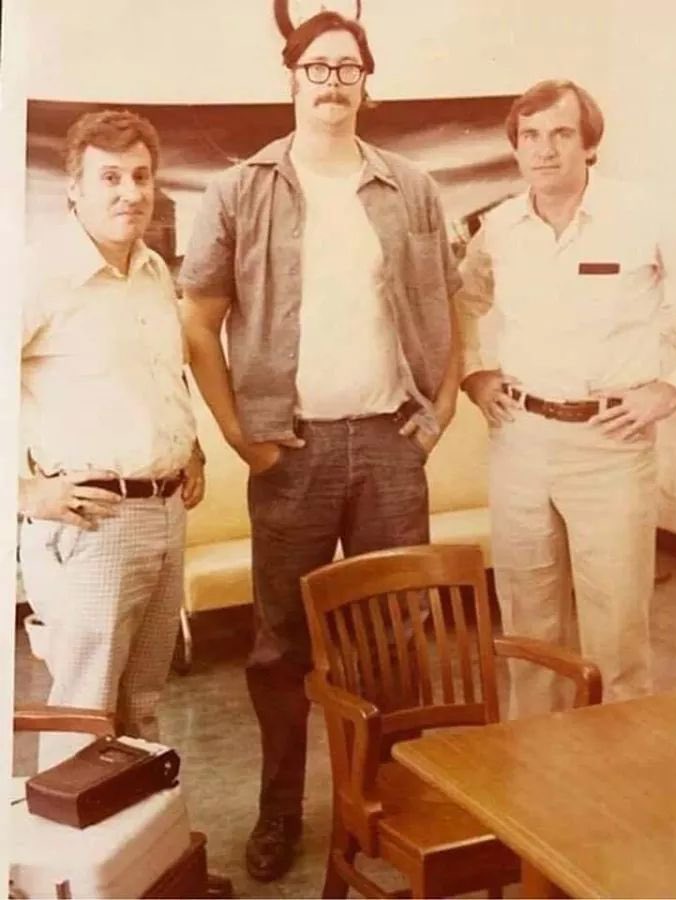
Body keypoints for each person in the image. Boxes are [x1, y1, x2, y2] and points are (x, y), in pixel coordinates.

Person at [179, 11, 460, 881]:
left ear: (367, 83)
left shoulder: (411, 187)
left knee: (394, 643)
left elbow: (450, 302)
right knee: (281, 649)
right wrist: (242, 437)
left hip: (389, 448)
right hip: (290, 456)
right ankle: (279, 812)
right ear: (292, 77)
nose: (333, 81)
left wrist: (441, 409)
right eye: (317, 66)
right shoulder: (240, 191)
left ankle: (381, 806)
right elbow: (198, 321)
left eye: (348, 67)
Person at [457, 79, 676, 719]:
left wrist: (671, 388)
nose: (545, 149)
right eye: (530, 136)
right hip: (520, 442)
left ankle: (612, 770)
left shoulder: (645, 217)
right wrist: (475, 375)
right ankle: (535, 764)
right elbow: (461, 303)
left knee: (615, 633)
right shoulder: (499, 228)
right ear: (515, 147)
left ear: (590, 144)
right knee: (529, 629)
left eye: (562, 134)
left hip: (609, 447)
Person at [18, 109, 206, 768]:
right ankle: (71, 840)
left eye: (141, 176)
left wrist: (190, 450)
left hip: (164, 513)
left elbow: (158, 375)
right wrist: (23, 492)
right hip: (92, 524)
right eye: (110, 177)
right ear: (74, 188)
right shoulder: (37, 273)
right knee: (85, 711)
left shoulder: (153, 270)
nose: (131, 192)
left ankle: (138, 839)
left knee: (142, 707)